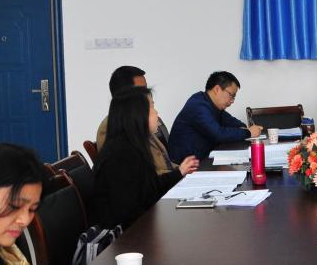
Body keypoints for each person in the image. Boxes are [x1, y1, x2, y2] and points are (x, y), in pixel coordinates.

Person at [92, 86, 196, 229]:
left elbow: (150, 187)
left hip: (142, 228)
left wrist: (180, 172)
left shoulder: (134, 146)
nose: (157, 113)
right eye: (152, 107)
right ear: (137, 114)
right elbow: (127, 214)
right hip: (125, 237)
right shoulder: (119, 156)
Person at [96, 65, 196, 176]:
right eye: (142, 90)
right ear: (125, 94)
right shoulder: (112, 127)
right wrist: (177, 175)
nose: (147, 93)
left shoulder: (139, 122)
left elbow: (165, 163)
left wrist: (183, 171)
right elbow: (134, 176)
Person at [169, 71, 262, 161]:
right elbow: (218, 134)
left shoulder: (213, 105)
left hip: (201, 158)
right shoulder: (198, 105)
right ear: (217, 89)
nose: (232, 101)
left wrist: (243, 128)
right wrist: (248, 133)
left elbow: (232, 122)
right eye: (231, 95)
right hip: (185, 165)